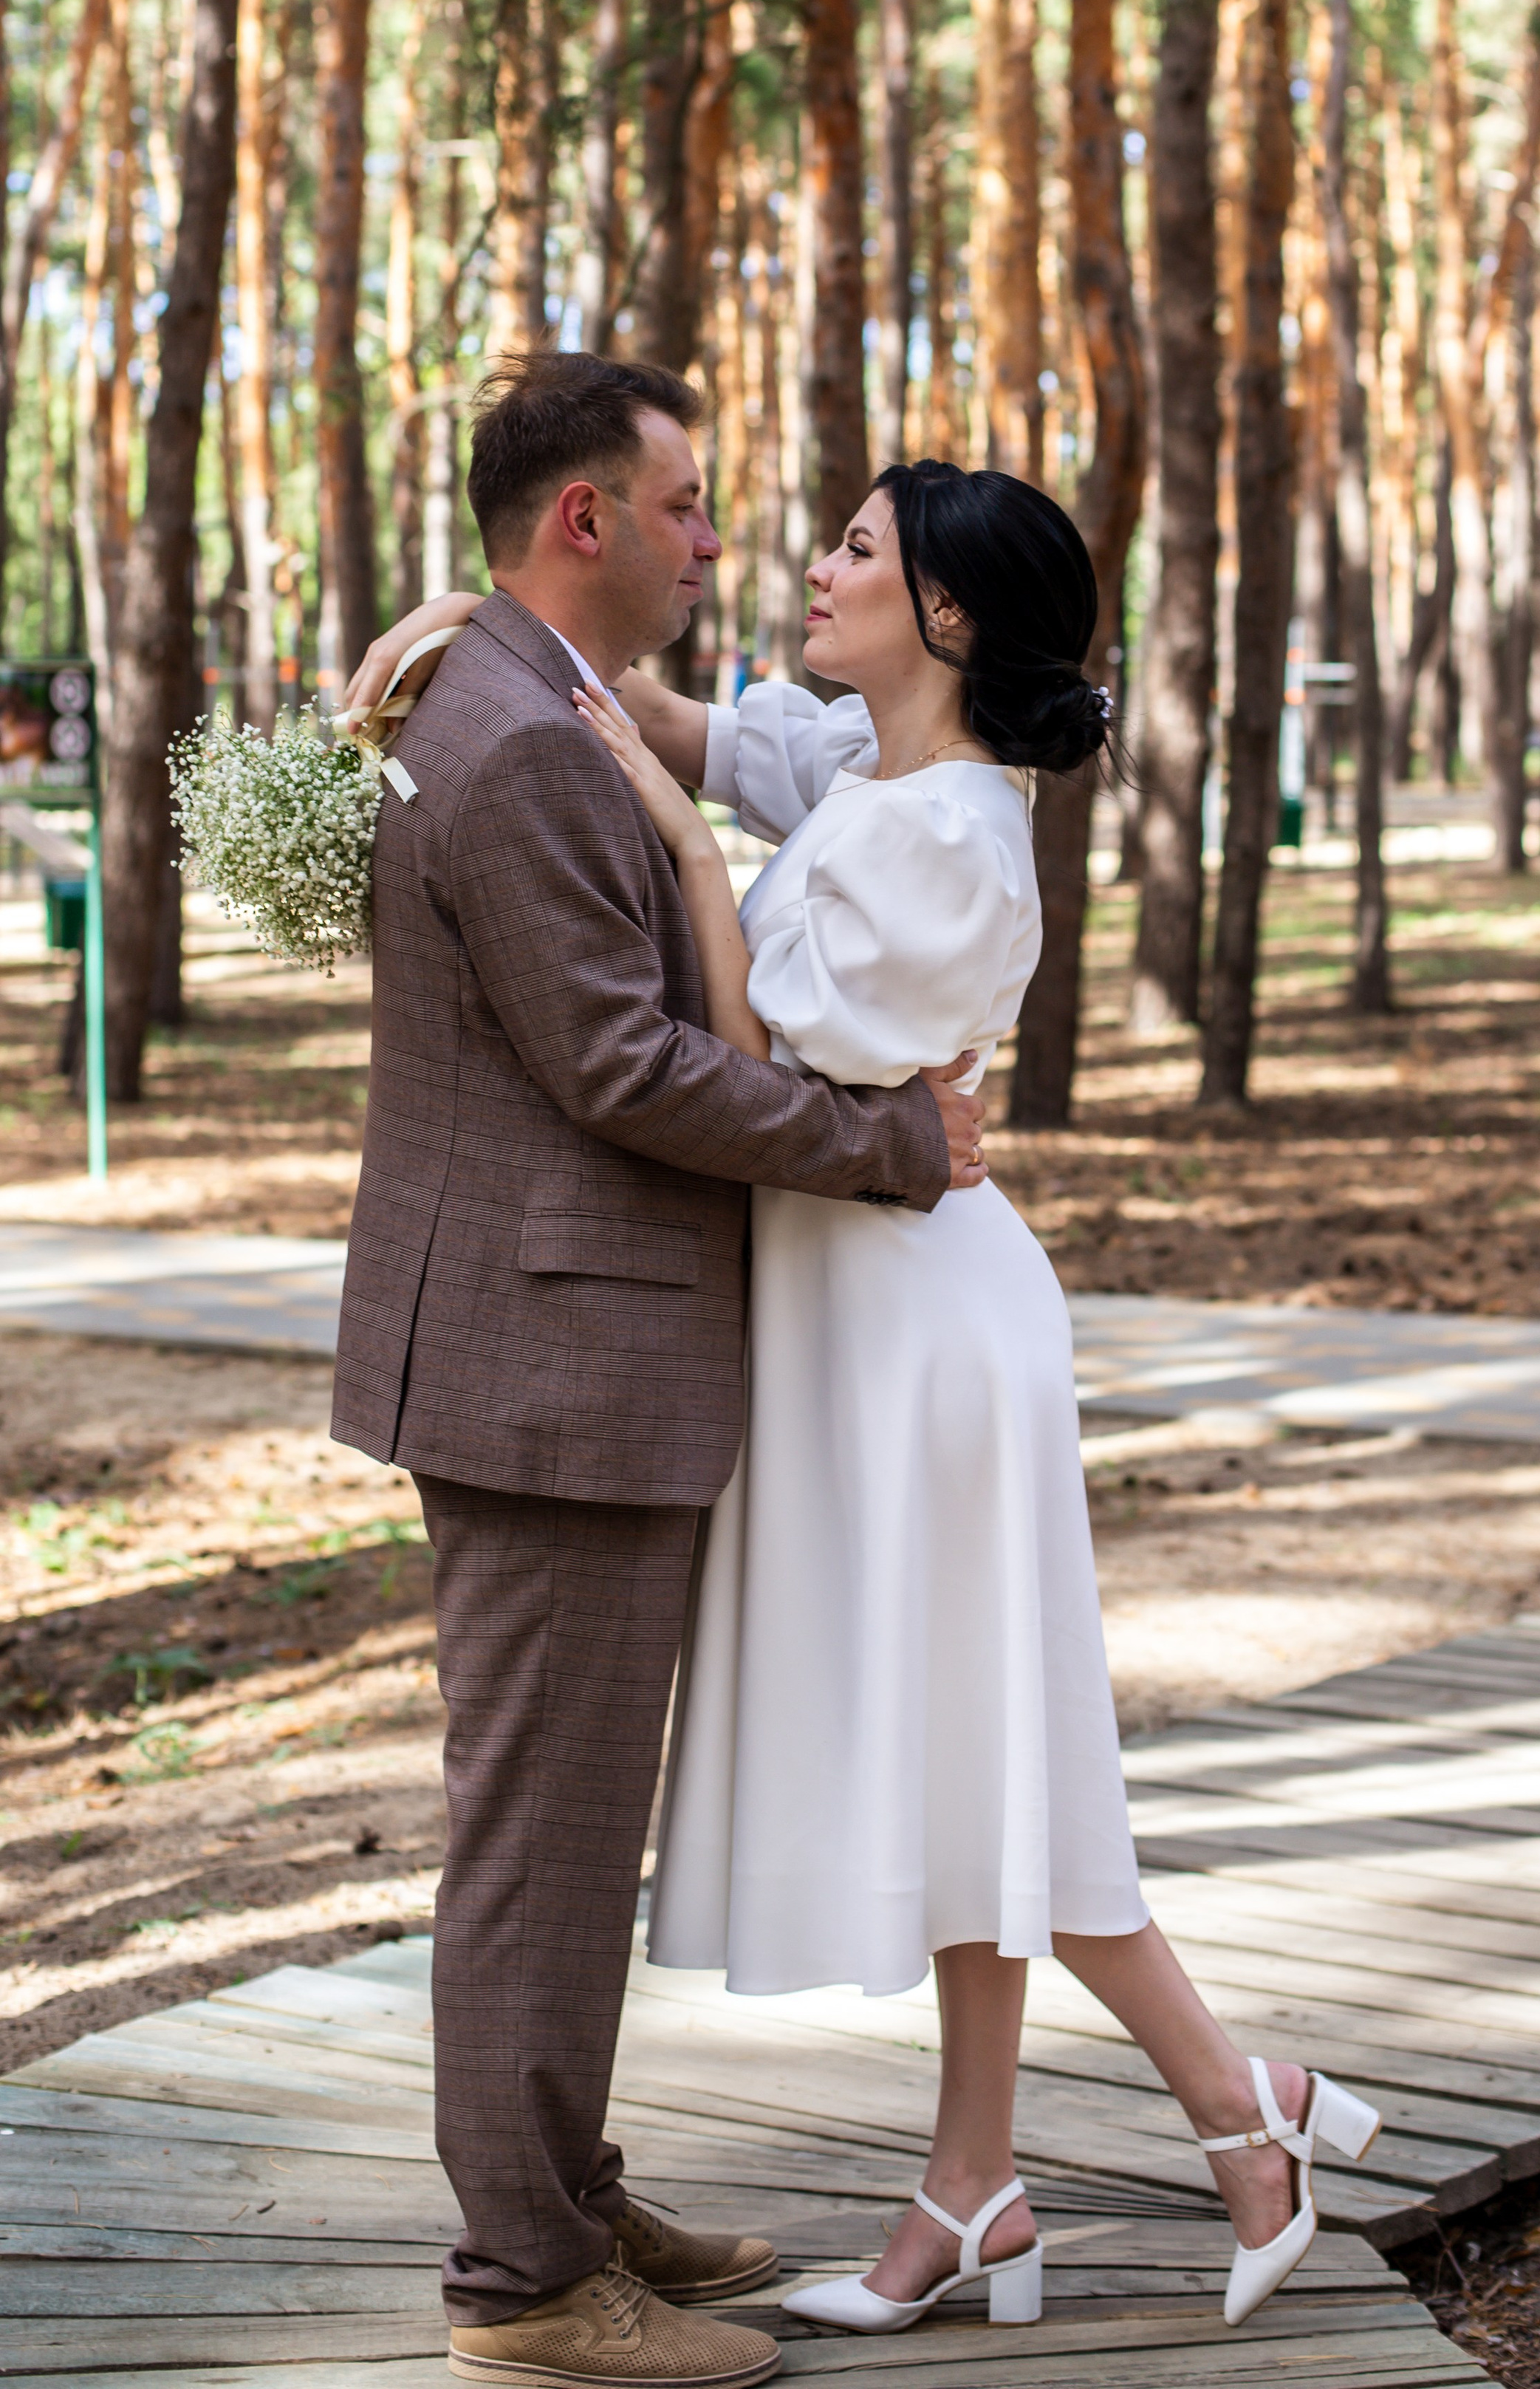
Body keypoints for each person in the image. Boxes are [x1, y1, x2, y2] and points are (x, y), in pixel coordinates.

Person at [363, 428, 1380, 2354]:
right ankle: (969, 2183)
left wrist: (668, 846)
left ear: (946, 613)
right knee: (955, 1760)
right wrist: (480, 634)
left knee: (996, 1767)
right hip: (854, 1313)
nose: (805, 569)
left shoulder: (949, 834)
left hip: (916, 1329)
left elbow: (738, 1043)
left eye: (851, 550)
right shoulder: (871, 763)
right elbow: (676, 719)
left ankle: (1248, 2110)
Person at [333, 352, 988, 2389]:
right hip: (551, 1361)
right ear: (586, 523)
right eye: (689, 507)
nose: (722, 544)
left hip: (555, 1346)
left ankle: (561, 2189)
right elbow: (621, 1065)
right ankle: (522, 2291)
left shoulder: (541, 700)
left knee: (560, 1812)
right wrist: (893, 1148)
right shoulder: (522, 740)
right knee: (538, 1827)